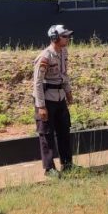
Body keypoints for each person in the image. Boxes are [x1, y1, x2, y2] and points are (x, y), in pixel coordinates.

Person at [33, 24, 74, 178]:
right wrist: (41, 106)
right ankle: (49, 168)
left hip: (60, 97)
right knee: (47, 133)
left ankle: (67, 164)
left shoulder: (63, 52)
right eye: (64, 36)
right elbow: (37, 83)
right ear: (55, 38)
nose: (67, 38)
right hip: (46, 98)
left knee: (64, 130)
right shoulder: (45, 57)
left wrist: (68, 92)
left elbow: (64, 74)